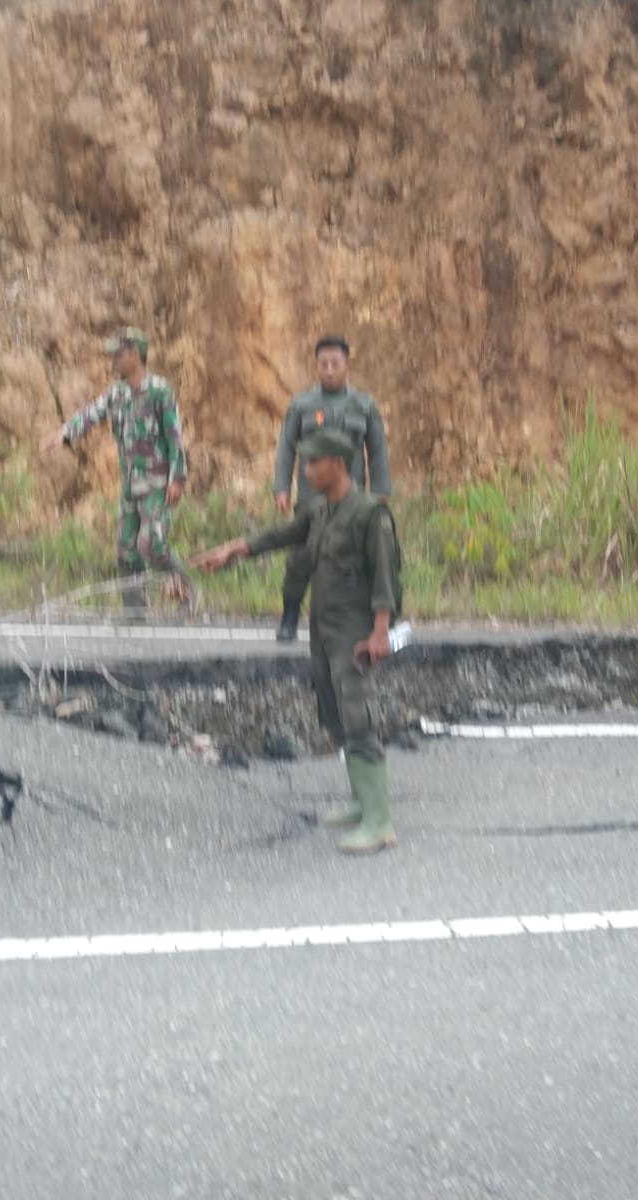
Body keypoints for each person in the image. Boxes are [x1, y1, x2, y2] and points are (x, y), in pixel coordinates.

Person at [194, 428, 402, 855]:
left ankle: (380, 821)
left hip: (354, 631)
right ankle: (360, 801)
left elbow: (387, 580)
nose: (305, 471)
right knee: (335, 715)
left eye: (312, 463)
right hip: (323, 630)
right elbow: (283, 536)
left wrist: (380, 633)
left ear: (337, 465)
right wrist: (236, 549)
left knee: (359, 718)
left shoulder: (369, 515)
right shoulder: (321, 510)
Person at [41, 327, 189, 619]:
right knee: (126, 548)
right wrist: (64, 434)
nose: (113, 360)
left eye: (118, 355)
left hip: (157, 484)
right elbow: (91, 413)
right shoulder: (117, 394)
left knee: (152, 545)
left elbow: (175, 436)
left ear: (135, 355)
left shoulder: (159, 391)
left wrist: (178, 478)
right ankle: (135, 611)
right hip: (131, 485)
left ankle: (187, 593)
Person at [271, 336, 391, 641]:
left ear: (347, 365)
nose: (329, 370)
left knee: (353, 560)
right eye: (323, 364)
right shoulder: (302, 405)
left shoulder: (363, 405)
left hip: (353, 501)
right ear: (315, 367)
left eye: (335, 364)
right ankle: (289, 616)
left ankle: (353, 622)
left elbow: (377, 451)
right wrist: (282, 487)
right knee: (301, 556)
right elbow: (287, 447)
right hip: (311, 499)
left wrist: (380, 492)